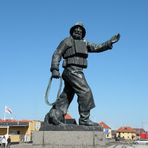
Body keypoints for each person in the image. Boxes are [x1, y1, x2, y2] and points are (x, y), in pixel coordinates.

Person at [45, 22, 120, 126]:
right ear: (72, 31)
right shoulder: (67, 41)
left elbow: (97, 47)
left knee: (66, 95)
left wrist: (109, 42)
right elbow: (57, 53)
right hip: (71, 70)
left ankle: (54, 115)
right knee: (85, 92)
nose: (78, 31)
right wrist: (54, 68)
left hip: (77, 71)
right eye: (76, 29)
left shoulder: (84, 43)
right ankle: (84, 119)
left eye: (80, 30)